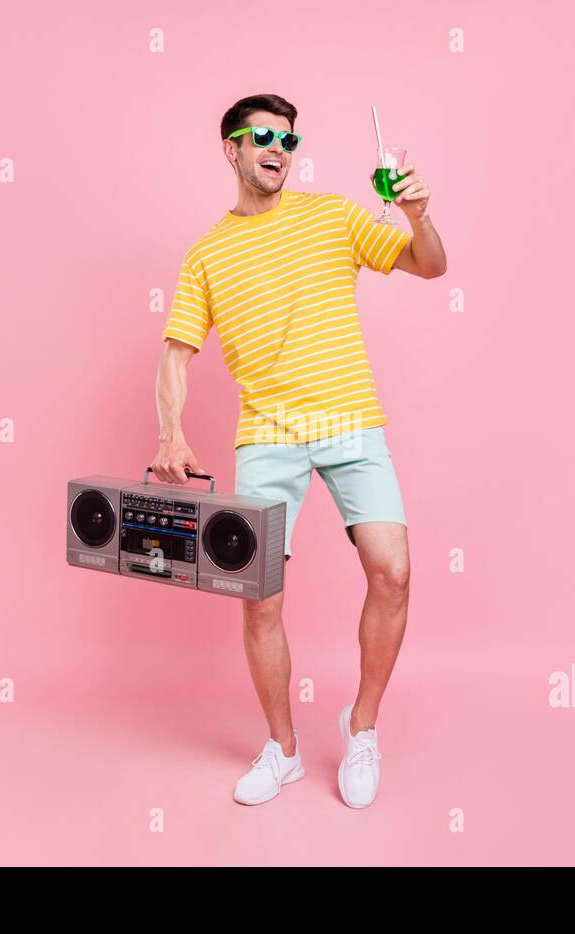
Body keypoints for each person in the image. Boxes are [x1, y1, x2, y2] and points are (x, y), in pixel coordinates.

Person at [150, 93, 447, 809]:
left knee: (394, 571)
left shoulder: (334, 216)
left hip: (351, 421)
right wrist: (170, 432)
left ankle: (361, 726)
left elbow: (430, 265)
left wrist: (417, 214)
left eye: (288, 139)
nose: (277, 150)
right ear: (232, 148)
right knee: (258, 597)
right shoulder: (207, 253)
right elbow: (176, 354)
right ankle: (282, 750)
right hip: (268, 434)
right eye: (262, 138)